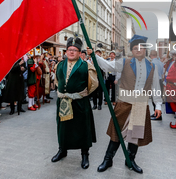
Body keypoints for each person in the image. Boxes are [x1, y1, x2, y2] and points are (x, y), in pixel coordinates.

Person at [88, 34, 162, 174]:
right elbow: (108, 65)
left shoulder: (152, 66)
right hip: (124, 104)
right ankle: (108, 159)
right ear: (132, 50)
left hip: (141, 105)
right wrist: (94, 56)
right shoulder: (124, 62)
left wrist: (158, 105)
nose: (138, 50)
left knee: (135, 135)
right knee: (117, 132)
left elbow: (155, 87)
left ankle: (130, 160)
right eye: (135, 48)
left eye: (141, 47)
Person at [51, 37, 98, 169]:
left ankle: (84, 154)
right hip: (63, 102)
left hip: (79, 103)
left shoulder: (86, 66)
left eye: (75, 50)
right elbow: (57, 81)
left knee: (82, 128)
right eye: (69, 50)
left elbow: (93, 84)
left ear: (79, 52)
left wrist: (80, 94)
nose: (71, 52)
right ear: (66, 51)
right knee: (63, 128)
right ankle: (62, 150)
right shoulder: (59, 65)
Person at [149, 50, 164, 121]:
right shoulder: (161, 63)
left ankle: (157, 114)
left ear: (151, 55)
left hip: (155, 81)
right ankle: (157, 113)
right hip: (160, 81)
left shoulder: (152, 63)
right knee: (158, 97)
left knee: (155, 98)